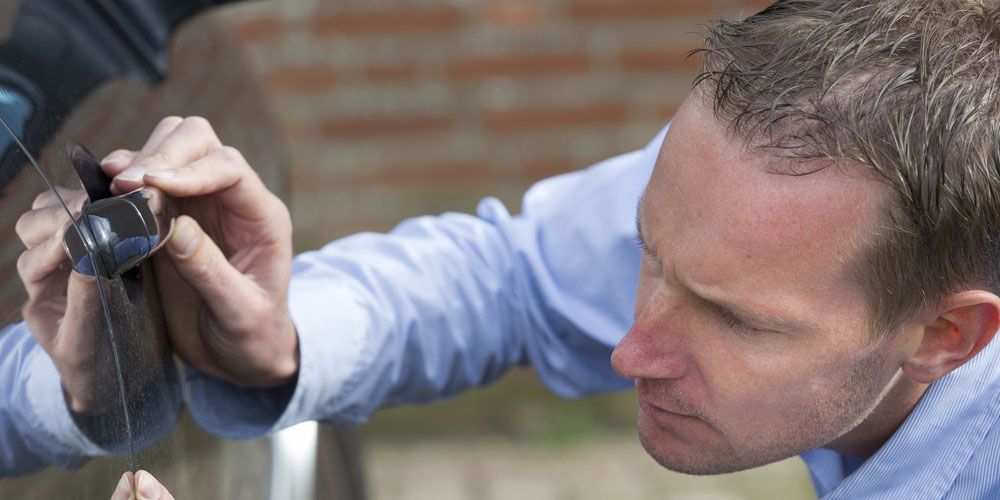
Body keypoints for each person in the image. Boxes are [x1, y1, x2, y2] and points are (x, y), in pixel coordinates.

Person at [26, 0, 1000, 498]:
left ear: (947, 334)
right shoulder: (768, 206)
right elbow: (513, 280)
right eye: (645, 251)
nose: (630, 348)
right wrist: (276, 341)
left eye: (737, 319)